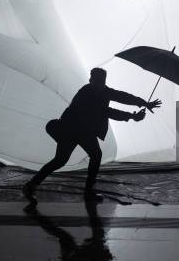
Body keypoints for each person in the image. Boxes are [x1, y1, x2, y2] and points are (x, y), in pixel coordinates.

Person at [23, 67, 161, 202]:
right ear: (91, 80)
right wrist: (131, 116)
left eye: (98, 81)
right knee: (70, 159)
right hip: (73, 129)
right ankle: (36, 185)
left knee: (69, 159)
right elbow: (106, 111)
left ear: (102, 81)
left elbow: (122, 96)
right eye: (94, 81)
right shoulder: (86, 92)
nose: (95, 83)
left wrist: (144, 103)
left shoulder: (103, 91)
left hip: (83, 130)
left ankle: (34, 185)